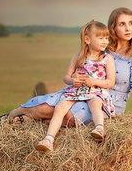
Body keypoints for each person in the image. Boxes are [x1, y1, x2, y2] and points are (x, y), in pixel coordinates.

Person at [1, 7, 132, 126]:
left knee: (68, 117)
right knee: (44, 107)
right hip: (81, 92)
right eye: (122, 24)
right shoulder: (103, 46)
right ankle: (8, 117)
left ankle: (28, 121)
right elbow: (82, 62)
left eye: (131, 23)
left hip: (107, 103)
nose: (128, 28)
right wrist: (75, 78)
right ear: (113, 27)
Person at [36, 20, 115, 152]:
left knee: (95, 103)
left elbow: (110, 82)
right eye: (100, 38)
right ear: (87, 39)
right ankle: (48, 139)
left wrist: (94, 82)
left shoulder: (107, 59)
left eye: (106, 38)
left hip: (96, 90)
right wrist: (73, 81)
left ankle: (99, 128)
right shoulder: (78, 57)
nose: (105, 41)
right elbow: (66, 77)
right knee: (60, 107)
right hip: (77, 90)